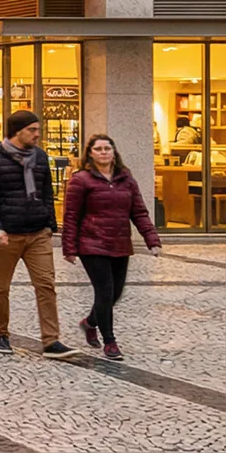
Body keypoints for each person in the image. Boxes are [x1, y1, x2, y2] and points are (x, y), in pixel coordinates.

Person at [0, 108, 75, 359]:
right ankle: (0, 333)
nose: (37, 134)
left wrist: (50, 226)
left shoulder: (40, 156)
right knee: (1, 287)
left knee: (46, 285)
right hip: (6, 233)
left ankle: (51, 341)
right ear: (17, 131)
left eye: (38, 130)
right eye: (32, 130)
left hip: (37, 232)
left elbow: (45, 193)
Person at [62, 134, 161, 361]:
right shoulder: (81, 180)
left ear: (114, 152)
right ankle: (110, 341)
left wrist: (152, 239)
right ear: (90, 154)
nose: (104, 152)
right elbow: (71, 216)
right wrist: (69, 248)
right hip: (92, 243)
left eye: (108, 148)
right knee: (105, 291)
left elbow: (139, 212)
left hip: (120, 243)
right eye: (98, 149)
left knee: (116, 293)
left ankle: (90, 323)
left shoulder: (126, 179)